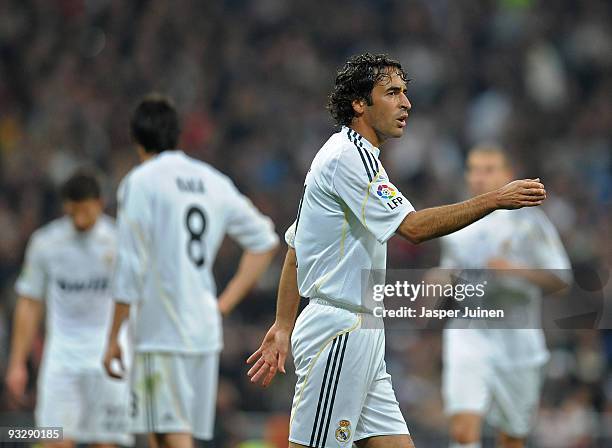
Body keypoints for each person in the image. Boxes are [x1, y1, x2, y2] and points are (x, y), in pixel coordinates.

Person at [246, 53, 548, 448]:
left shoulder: (350, 156)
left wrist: (284, 325)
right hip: (340, 329)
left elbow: (294, 250)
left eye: (405, 92)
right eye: (392, 92)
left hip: (361, 330)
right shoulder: (348, 158)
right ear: (359, 103)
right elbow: (413, 228)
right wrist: (494, 199)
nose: (406, 103)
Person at [103, 94, 279, 448]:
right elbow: (265, 240)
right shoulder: (212, 180)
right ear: (177, 134)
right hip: (203, 329)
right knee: (161, 431)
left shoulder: (141, 182)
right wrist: (223, 304)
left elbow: (130, 265)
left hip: (162, 329)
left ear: (137, 141)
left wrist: (113, 337)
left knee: (171, 431)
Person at [438, 145, 571, 448]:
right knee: (462, 429)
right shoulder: (456, 224)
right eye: (474, 169)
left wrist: (515, 271)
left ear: (507, 175)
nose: (479, 177)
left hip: (518, 341)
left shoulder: (531, 223)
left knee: (512, 437)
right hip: (468, 335)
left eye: (488, 170)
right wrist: (440, 280)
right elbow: (450, 275)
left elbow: (561, 279)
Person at [5, 171, 133, 448]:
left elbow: (134, 298)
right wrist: (17, 363)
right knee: (54, 440)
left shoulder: (121, 241)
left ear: (100, 203)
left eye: (85, 211)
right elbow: (29, 303)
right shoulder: (46, 243)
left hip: (109, 356)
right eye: (72, 212)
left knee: (106, 443)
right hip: (62, 358)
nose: (78, 219)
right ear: (65, 206)